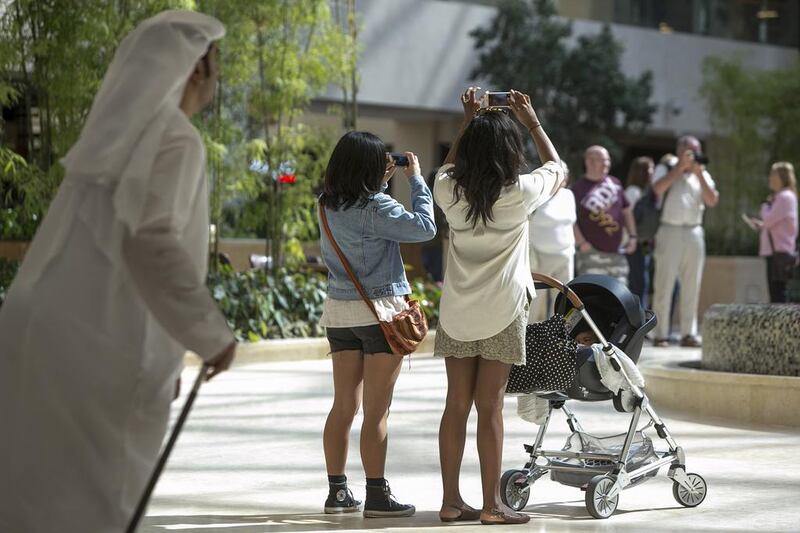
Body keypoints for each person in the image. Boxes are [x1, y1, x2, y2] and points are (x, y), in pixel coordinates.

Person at [0, 11, 235, 532]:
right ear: (196, 69)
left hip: (41, 334)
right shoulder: (175, 139)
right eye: (215, 62)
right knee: (95, 503)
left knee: (32, 497)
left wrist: (171, 358)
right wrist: (210, 336)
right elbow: (150, 243)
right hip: (94, 352)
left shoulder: (114, 139)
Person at [435, 87, 564, 525]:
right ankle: (492, 506)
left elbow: (447, 168)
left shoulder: (449, 191)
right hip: (504, 312)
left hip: (456, 312)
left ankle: (451, 501)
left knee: (456, 405)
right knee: (489, 408)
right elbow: (558, 168)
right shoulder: (521, 193)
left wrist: (468, 119)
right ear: (511, 150)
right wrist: (531, 121)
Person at [318, 132, 435, 517]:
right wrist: (415, 180)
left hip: (339, 314)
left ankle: (337, 492)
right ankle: (377, 496)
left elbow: (357, 214)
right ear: (369, 168)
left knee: (343, 408)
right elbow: (424, 228)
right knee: (376, 412)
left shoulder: (326, 205)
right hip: (380, 316)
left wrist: (380, 184)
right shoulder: (378, 206)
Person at [651, 136, 719, 347]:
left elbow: (712, 200)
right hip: (669, 229)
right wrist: (679, 169)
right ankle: (660, 333)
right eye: (689, 151)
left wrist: (698, 174)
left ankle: (688, 333)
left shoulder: (703, 174)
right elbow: (657, 189)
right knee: (664, 283)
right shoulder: (666, 167)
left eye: (696, 151)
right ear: (680, 151)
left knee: (692, 284)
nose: (693, 155)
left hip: (694, 231)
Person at [572, 145, 637, 285]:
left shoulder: (615, 183)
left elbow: (627, 211)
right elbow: (571, 220)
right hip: (591, 254)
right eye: (602, 160)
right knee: (593, 294)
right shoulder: (577, 189)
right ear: (589, 162)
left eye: (607, 160)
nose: (607, 163)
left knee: (620, 296)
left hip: (617, 252)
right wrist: (582, 243)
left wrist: (632, 236)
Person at [528, 162, 576, 322]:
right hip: (540, 257)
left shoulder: (569, 195)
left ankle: (561, 337)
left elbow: (572, 223)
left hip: (565, 255)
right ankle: (531, 337)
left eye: (562, 175)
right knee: (536, 301)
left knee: (564, 300)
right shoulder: (537, 196)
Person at [750, 162, 798, 303]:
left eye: (773, 174)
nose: (770, 178)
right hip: (777, 252)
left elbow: (768, 219)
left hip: (779, 253)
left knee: (778, 295)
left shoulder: (784, 197)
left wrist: (766, 206)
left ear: (782, 177)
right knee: (777, 293)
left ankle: (783, 325)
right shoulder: (785, 197)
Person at [625, 156, 655, 308]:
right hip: (635, 244)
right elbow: (626, 215)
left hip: (646, 243)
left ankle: (642, 319)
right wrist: (632, 237)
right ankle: (638, 321)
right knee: (638, 283)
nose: (652, 172)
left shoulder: (647, 192)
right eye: (649, 169)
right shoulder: (633, 191)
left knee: (644, 282)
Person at [422, 169, 449, 283]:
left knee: (427, 271)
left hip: (424, 241)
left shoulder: (425, 195)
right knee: (436, 274)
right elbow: (442, 219)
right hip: (435, 241)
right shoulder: (439, 197)